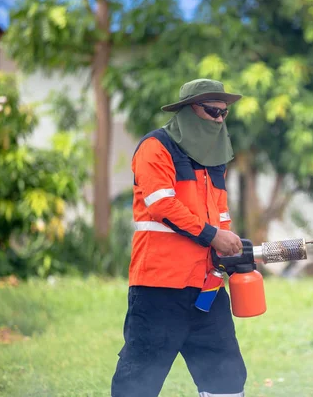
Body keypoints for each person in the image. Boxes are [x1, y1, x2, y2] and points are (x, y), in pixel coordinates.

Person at [111, 79, 248, 397]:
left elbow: (221, 215)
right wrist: (214, 236)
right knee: (138, 380)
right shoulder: (155, 147)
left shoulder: (215, 161)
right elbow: (162, 206)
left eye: (224, 113)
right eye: (213, 111)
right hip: (159, 288)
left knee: (227, 376)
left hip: (207, 289)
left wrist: (231, 252)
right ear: (189, 111)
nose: (219, 120)